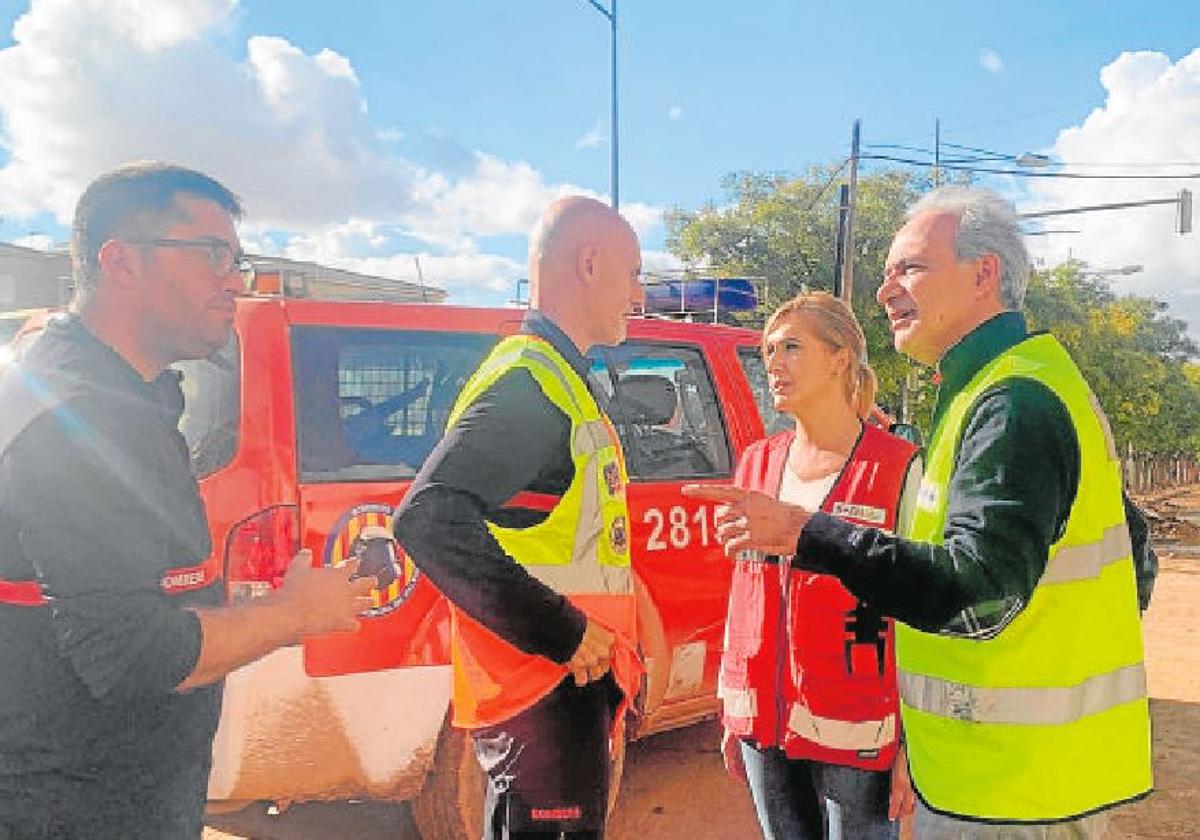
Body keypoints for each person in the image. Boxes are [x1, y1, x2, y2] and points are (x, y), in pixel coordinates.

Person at [686, 185, 1153, 838]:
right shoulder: (989, 397)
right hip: (991, 773)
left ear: (982, 274)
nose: (885, 291)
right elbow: (1135, 554)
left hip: (1009, 789)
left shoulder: (1013, 403)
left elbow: (977, 592)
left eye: (910, 267)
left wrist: (804, 532)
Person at [0, 162, 376, 839]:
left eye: (236, 257)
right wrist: (296, 614)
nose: (234, 279)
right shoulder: (89, 414)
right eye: (212, 255)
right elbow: (133, 653)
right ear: (121, 262)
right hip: (79, 806)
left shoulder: (77, 378)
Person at [394, 196, 645, 839]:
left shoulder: (560, 375)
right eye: (633, 273)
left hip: (564, 686)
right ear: (590, 263)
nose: (638, 295)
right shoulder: (530, 383)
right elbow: (427, 519)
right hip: (541, 692)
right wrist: (562, 631)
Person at [718, 292, 918, 840]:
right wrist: (731, 708)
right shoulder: (757, 462)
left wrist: (915, 743)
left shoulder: (897, 467)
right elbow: (743, 596)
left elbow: (923, 606)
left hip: (859, 732)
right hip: (763, 725)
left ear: (840, 358)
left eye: (791, 348)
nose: (774, 364)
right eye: (767, 352)